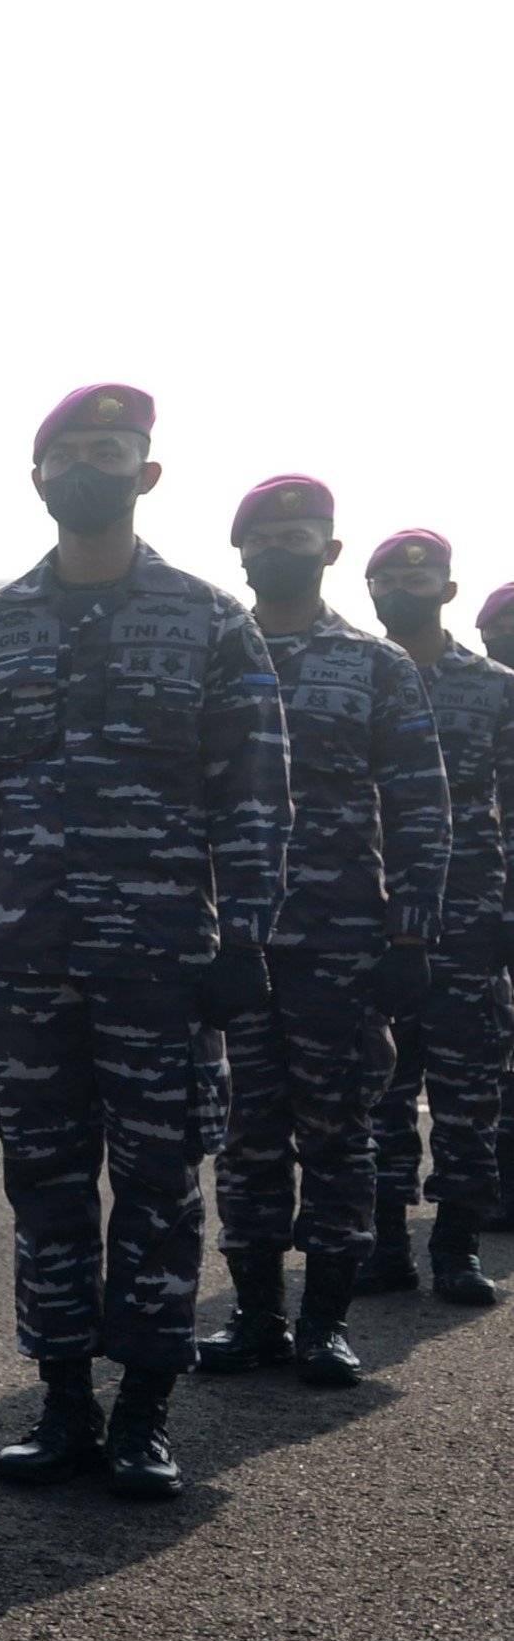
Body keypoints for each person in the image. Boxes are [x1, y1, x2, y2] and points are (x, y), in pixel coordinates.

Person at [0, 386, 288, 1500]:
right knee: (42, 1185)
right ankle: (65, 1402)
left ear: (148, 473)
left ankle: (144, 1414)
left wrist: (246, 934)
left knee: (162, 1185)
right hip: (29, 954)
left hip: (166, 957)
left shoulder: (210, 619)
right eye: (69, 454)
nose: (89, 467)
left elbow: (255, 791)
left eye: (110, 451)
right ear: (38, 479)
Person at [194, 479, 445, 1386]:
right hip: (232, 942)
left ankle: (324, 1322)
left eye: (296, 533)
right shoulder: (214, 656)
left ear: (330, 550)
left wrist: (411, 935)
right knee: (246, 1133)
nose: (279, 545)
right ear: (241, 554)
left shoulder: (377, 667)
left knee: (338, 1132)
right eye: (262, 535)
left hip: (341, 939)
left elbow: (420, 806)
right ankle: (254, 1316)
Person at [360, 527, 512, 1305]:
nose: (401, 593)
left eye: (418, 583)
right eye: (386, 582)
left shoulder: (494, 688)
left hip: (468, 914)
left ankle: (455, 1247)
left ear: (448, 592)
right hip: (369, 912)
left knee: (466, 1086)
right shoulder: (353, 677)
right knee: (379, 1087)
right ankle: (384, 1244)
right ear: (369, 591)